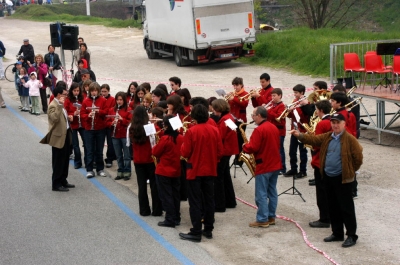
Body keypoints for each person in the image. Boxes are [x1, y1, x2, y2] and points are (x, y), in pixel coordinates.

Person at [290, 113, 363, 248]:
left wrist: (349, 171)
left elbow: (358, 157)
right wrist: (299, 135)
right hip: (328, 177)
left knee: (346, 208)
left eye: (338, 123)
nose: (335, 125)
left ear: (344, 124)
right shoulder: (328, 136)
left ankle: (352, 235)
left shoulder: (350, 139)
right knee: (333, 206)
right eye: (333, 122)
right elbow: (314, 140)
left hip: (343, 179)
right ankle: (337, 233)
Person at [179, 104, 223, 242]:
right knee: (209, 200)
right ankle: (208, 229)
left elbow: (185, 152)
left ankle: (196, 230)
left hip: (195, 170)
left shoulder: (192, 131)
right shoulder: (215, 130)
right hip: (210, 169)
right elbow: (220, 151)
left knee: (195, 201)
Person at [243, 106, 281, 228]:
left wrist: (244, 146)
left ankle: (262, 219)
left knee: (261, 193)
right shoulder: (273, 127)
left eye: (253, 115)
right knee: (272, 192)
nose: (252, 117)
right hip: (275, 164)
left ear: (259, 116)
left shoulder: (259, 130)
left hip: (264, 164)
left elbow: (252, 147)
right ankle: (271, 216)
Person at [129, 106, 162, 216]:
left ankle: (144, 210)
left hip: (138, 160)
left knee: (141, 186)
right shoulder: (150, 127)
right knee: (154, 185)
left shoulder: (132, 127)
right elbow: (157, 137)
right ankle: (157, 210)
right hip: (150, 159)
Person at [40, 85, 74, 192]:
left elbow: (61, 118)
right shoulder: (53, 105)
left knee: (65, 161)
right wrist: (60, 105)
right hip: (58, 137)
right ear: (59, 95)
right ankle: (56, 184)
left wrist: (69, 118)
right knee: (58, 162)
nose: (66, 96)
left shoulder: (61, 104)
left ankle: (63, 180)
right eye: (65, 94)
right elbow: (54, 118)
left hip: (66, 134)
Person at [152, 115, 184, 228]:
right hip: (176, 170)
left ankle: (169, 218)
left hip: (164, 170)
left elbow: (155, 152)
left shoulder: (166, 139)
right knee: (175, 195)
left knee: (166, 196)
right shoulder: (181, 137)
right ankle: (176, 217)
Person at [307, 100, 332, 228]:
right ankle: (329, 216)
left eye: (317, 110)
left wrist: (310, 138)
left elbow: (317, 143)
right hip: (329, 160)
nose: (316, 112)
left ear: (321, 110)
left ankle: (324, 218)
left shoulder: (322, 124)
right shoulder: (333, 121)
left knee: (321, 191)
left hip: (320, 160)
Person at [211, 99, 239, 212]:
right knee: (225, 176)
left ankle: (220, 204)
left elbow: (220, 136)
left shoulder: (224, 120)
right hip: (230, 149)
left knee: (219, 178)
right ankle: (230, 200)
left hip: (225, 150)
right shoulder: (229, 117)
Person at [283, 84, 312, 179]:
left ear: (302, 93)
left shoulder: (306, 103)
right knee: (292, 151)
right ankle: (293, 168)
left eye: (296, 93)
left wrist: (296, 108)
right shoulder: (295, 101)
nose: (294, 94)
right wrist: (288, 111)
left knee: (302, 151)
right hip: (294, 129)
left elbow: (306, 116)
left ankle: (303, 171)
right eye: (294, 92)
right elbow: (291, 116)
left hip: (302, 130)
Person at [80, 82, 108, 178]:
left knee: (99, 150)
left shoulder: (103, 100)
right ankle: (89, 169)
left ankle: (100, 169)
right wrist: (88, 115)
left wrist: (98, 111)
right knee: (89, 150)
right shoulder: (85, 101)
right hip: (89, 129)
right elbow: (82, 114)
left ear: (98, 91)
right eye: (92, 91)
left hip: (100, 128)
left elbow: (106, 112)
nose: (94, 93)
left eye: (95, 91)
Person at [108, 91, 132, 180]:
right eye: (117, 100)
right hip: (115, 135)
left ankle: (127, 171)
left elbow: (130, 122)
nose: (119, 101)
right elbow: (107, 122)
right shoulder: (112, 110)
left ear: (124, 100)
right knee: (118, 155)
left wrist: (122, 120)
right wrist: (111, 123)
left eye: (121, 100)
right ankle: (120, 170)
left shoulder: (128, 110)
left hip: (125, 135)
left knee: (126, 155)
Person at [226, 77, 249, 166]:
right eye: (234, 85)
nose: (235, 87)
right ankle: (236, 157)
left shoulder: (246, 94)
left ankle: (239, 160)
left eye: (237, 85)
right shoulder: (233, 94)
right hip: (232, 119)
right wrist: (228, 99)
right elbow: (229, 107)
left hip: (241, 120)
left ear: (241, 85)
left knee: (240, 140)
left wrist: (234, 99)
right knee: (234, 139)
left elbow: (244, 104)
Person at [64, 82, 86, 169]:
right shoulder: (68, 100)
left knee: (86, 143)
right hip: (73, 124)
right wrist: (73, 114)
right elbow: (65, 111)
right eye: (74, 91)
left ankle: (88, 161)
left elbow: (85, 109)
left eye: (78, 91)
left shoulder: (82, 99)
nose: (76, 92)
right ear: (71, 91)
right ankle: (78, 162)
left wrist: (81, 112)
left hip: (82, 124)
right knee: (75, 145)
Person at [265, 88, 286, 174]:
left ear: (280, 96)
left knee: (280, 150)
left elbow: (278, 117)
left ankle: (282, 168)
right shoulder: (272, 105)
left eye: (274, 95)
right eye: (271, 95)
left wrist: (268, 110)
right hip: (272, 130)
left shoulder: (282, 106)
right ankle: (274, 166)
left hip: (279, 131)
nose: (272, 97)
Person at [100, 84, 117, 168]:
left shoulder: (112, 100)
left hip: (109, 124)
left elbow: (112, 111)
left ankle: (109, 159)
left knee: (110, 143)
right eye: (102, 91)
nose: (103, 93)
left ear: (108, 91)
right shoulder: (99, 99)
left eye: (105, 91)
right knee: (100, 143)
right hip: (101, 124)